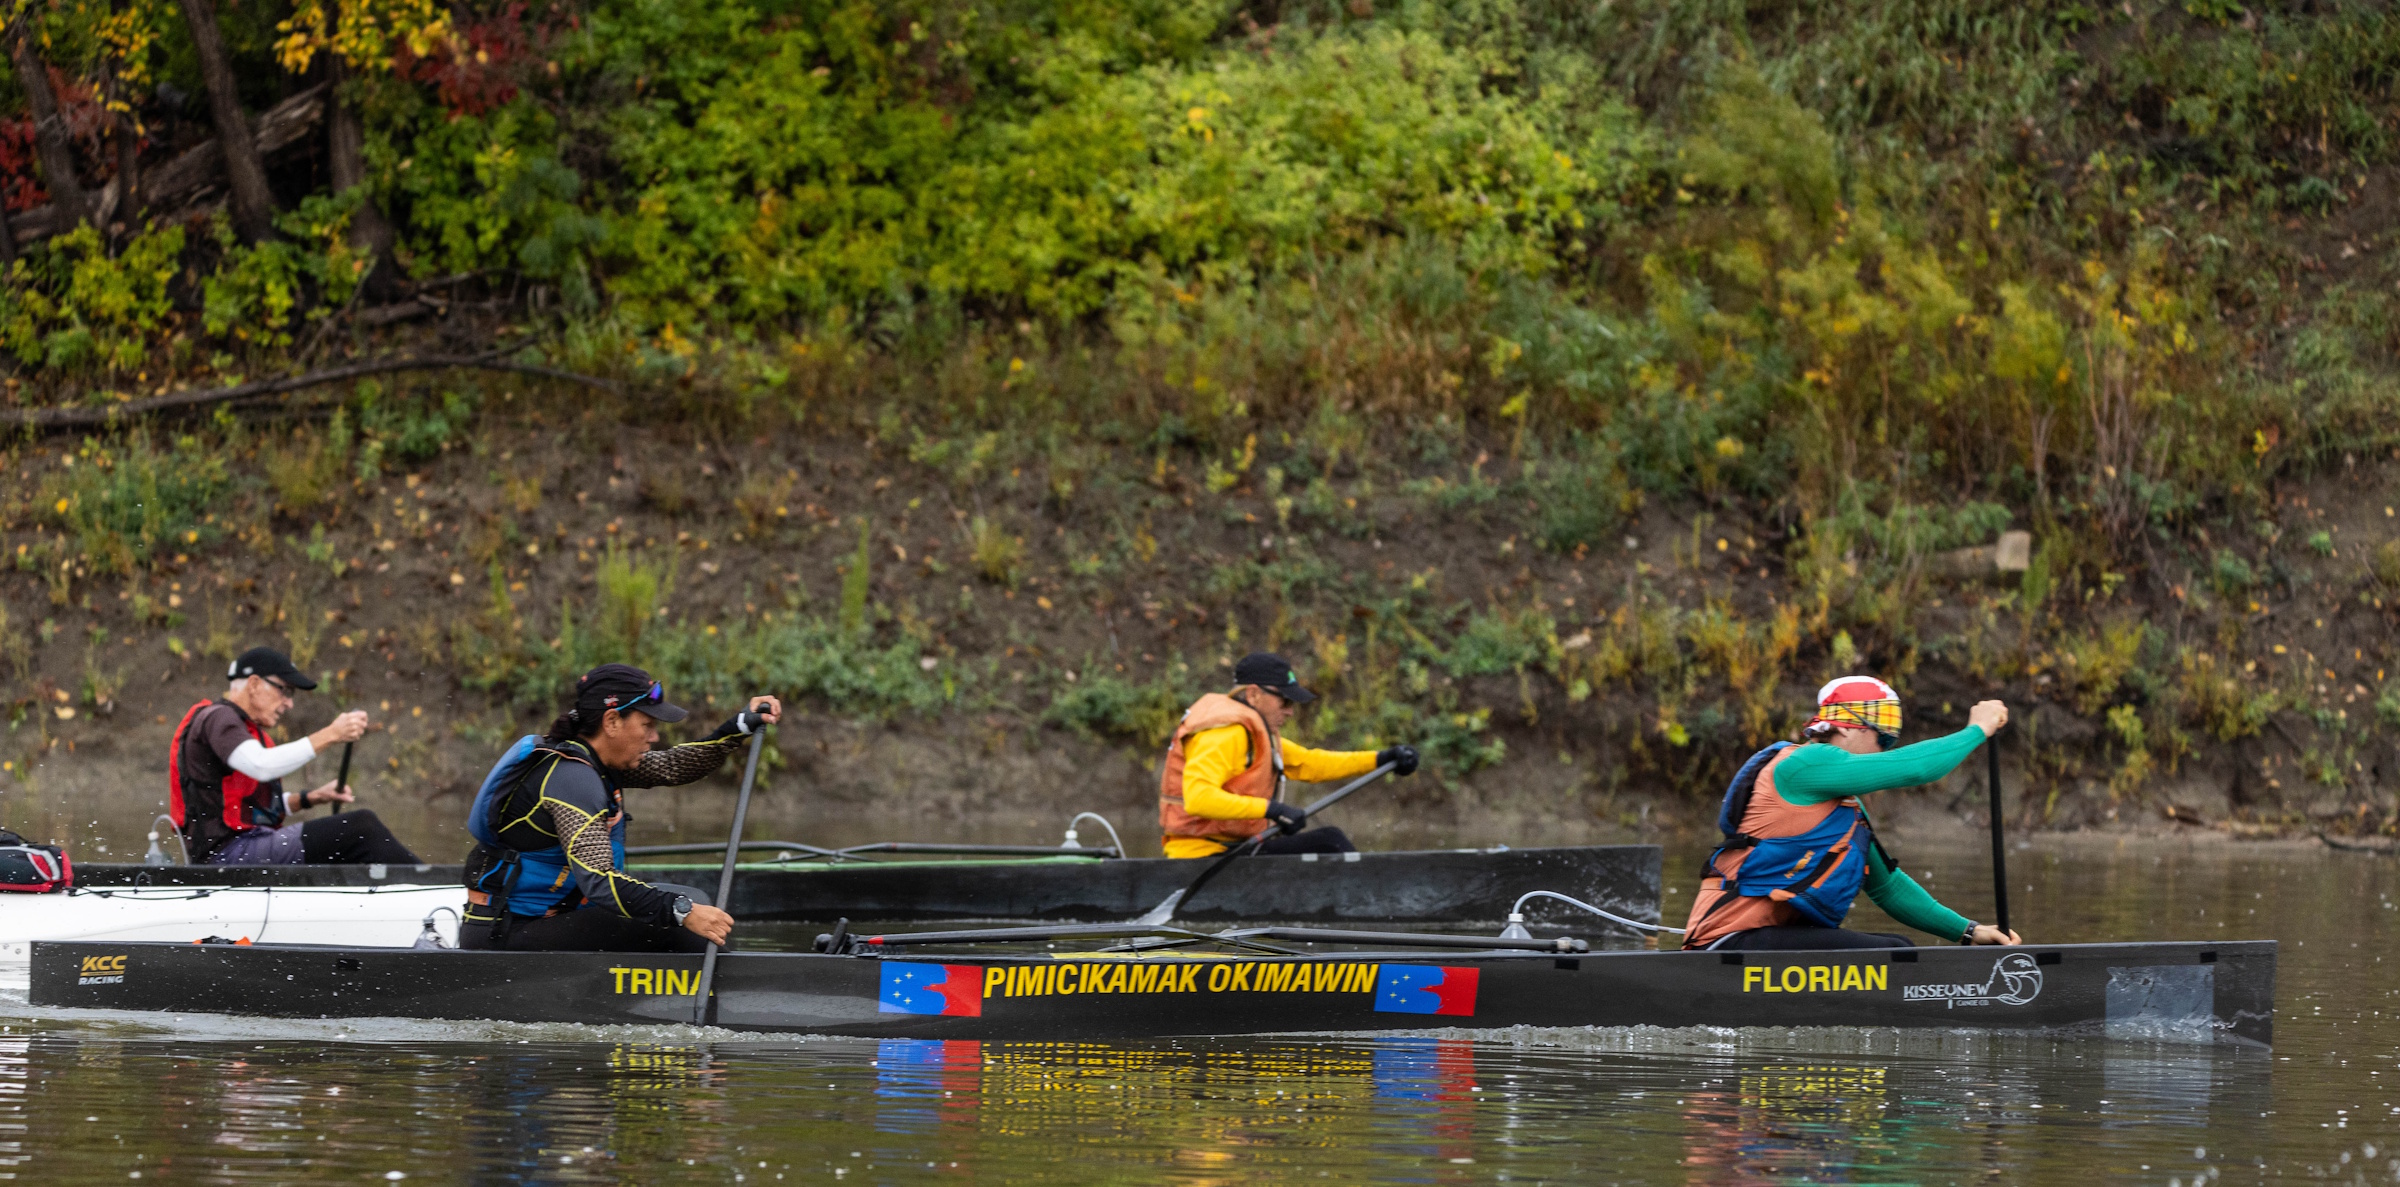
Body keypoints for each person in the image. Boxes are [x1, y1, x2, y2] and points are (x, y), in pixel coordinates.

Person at [1681, 676, 2024, 951]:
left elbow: (1887, 888)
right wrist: (1977, 730)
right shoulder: (1805, 763)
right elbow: (1918, 769)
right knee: (1894, 953)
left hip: (1765, 941)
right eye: (1881, 731)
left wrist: (1969, 932)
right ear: (1843, 726)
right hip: (1725, 944)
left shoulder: (1846, 808)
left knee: (1897, 950)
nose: (1886, 744)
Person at [460, 663, 782, 953]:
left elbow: (675, 766)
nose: (654, 737)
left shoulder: (599, 762)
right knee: (682, 924)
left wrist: (738, 727)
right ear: (612, 721)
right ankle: (745, 991)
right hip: (504, 938)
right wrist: (681, 911)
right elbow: (601, 883)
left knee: (693, 901)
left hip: (549, 920)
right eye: (647, 725)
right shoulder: (572, 781)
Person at [168, 647, 420, 865]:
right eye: (284, 690)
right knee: (361, 827)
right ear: (254, 685)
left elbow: (257, 806)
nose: (289, 703)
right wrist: (332, 734)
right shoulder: (218, 718)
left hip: (242, 851)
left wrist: (311, 798)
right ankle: (440, 889)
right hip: (226, 857)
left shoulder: (246, 733)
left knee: (347, 842)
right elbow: (261, 766)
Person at [1157, 651, 1419, 859]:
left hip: (1230, 849)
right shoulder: (1224, 734)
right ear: (1254, 694)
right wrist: (1273, 809)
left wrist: (1382, 759)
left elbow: (1311, 763)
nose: (1290, 712)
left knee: (1328, 841)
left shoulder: (1257, 734)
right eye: (1285, 701)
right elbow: (1198, 799)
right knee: (1330, 842)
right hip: (1201, 857)